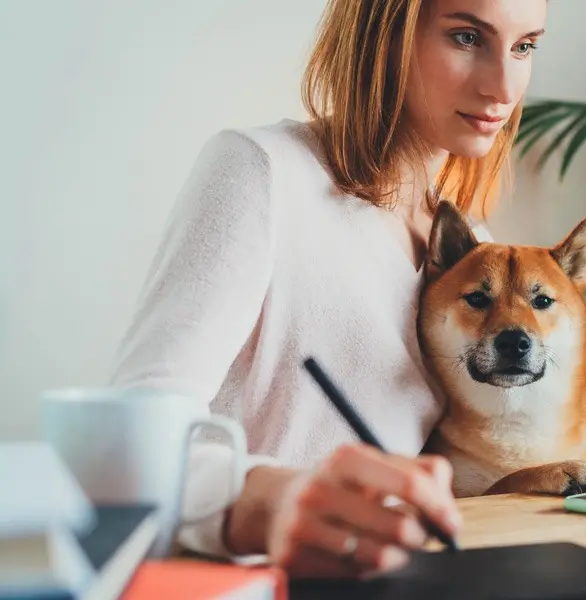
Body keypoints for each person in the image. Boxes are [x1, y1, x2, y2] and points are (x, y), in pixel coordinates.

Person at [108, 0, 548, 578]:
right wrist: (269, 501)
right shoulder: (265, 171)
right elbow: (129, 433)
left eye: (524, 47)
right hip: (250, 582)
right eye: (467, 38)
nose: (503, 86)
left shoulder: (471, 252)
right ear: (384, 33)